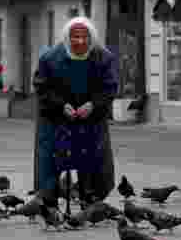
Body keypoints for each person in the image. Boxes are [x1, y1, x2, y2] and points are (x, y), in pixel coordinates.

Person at [32, 16, 119, 209]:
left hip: (89, 118)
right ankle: (49, 199)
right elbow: (41, 87)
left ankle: (91, 197)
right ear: (66, 38)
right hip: (56, 119)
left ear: (91, 38)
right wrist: (61, 105)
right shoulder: (50, 58)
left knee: (92, 156)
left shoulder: (104, 58)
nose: (79, 41)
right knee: (52, 157)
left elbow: (109, 87)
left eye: (84, 37)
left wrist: (93, 105)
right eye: (74, 37)